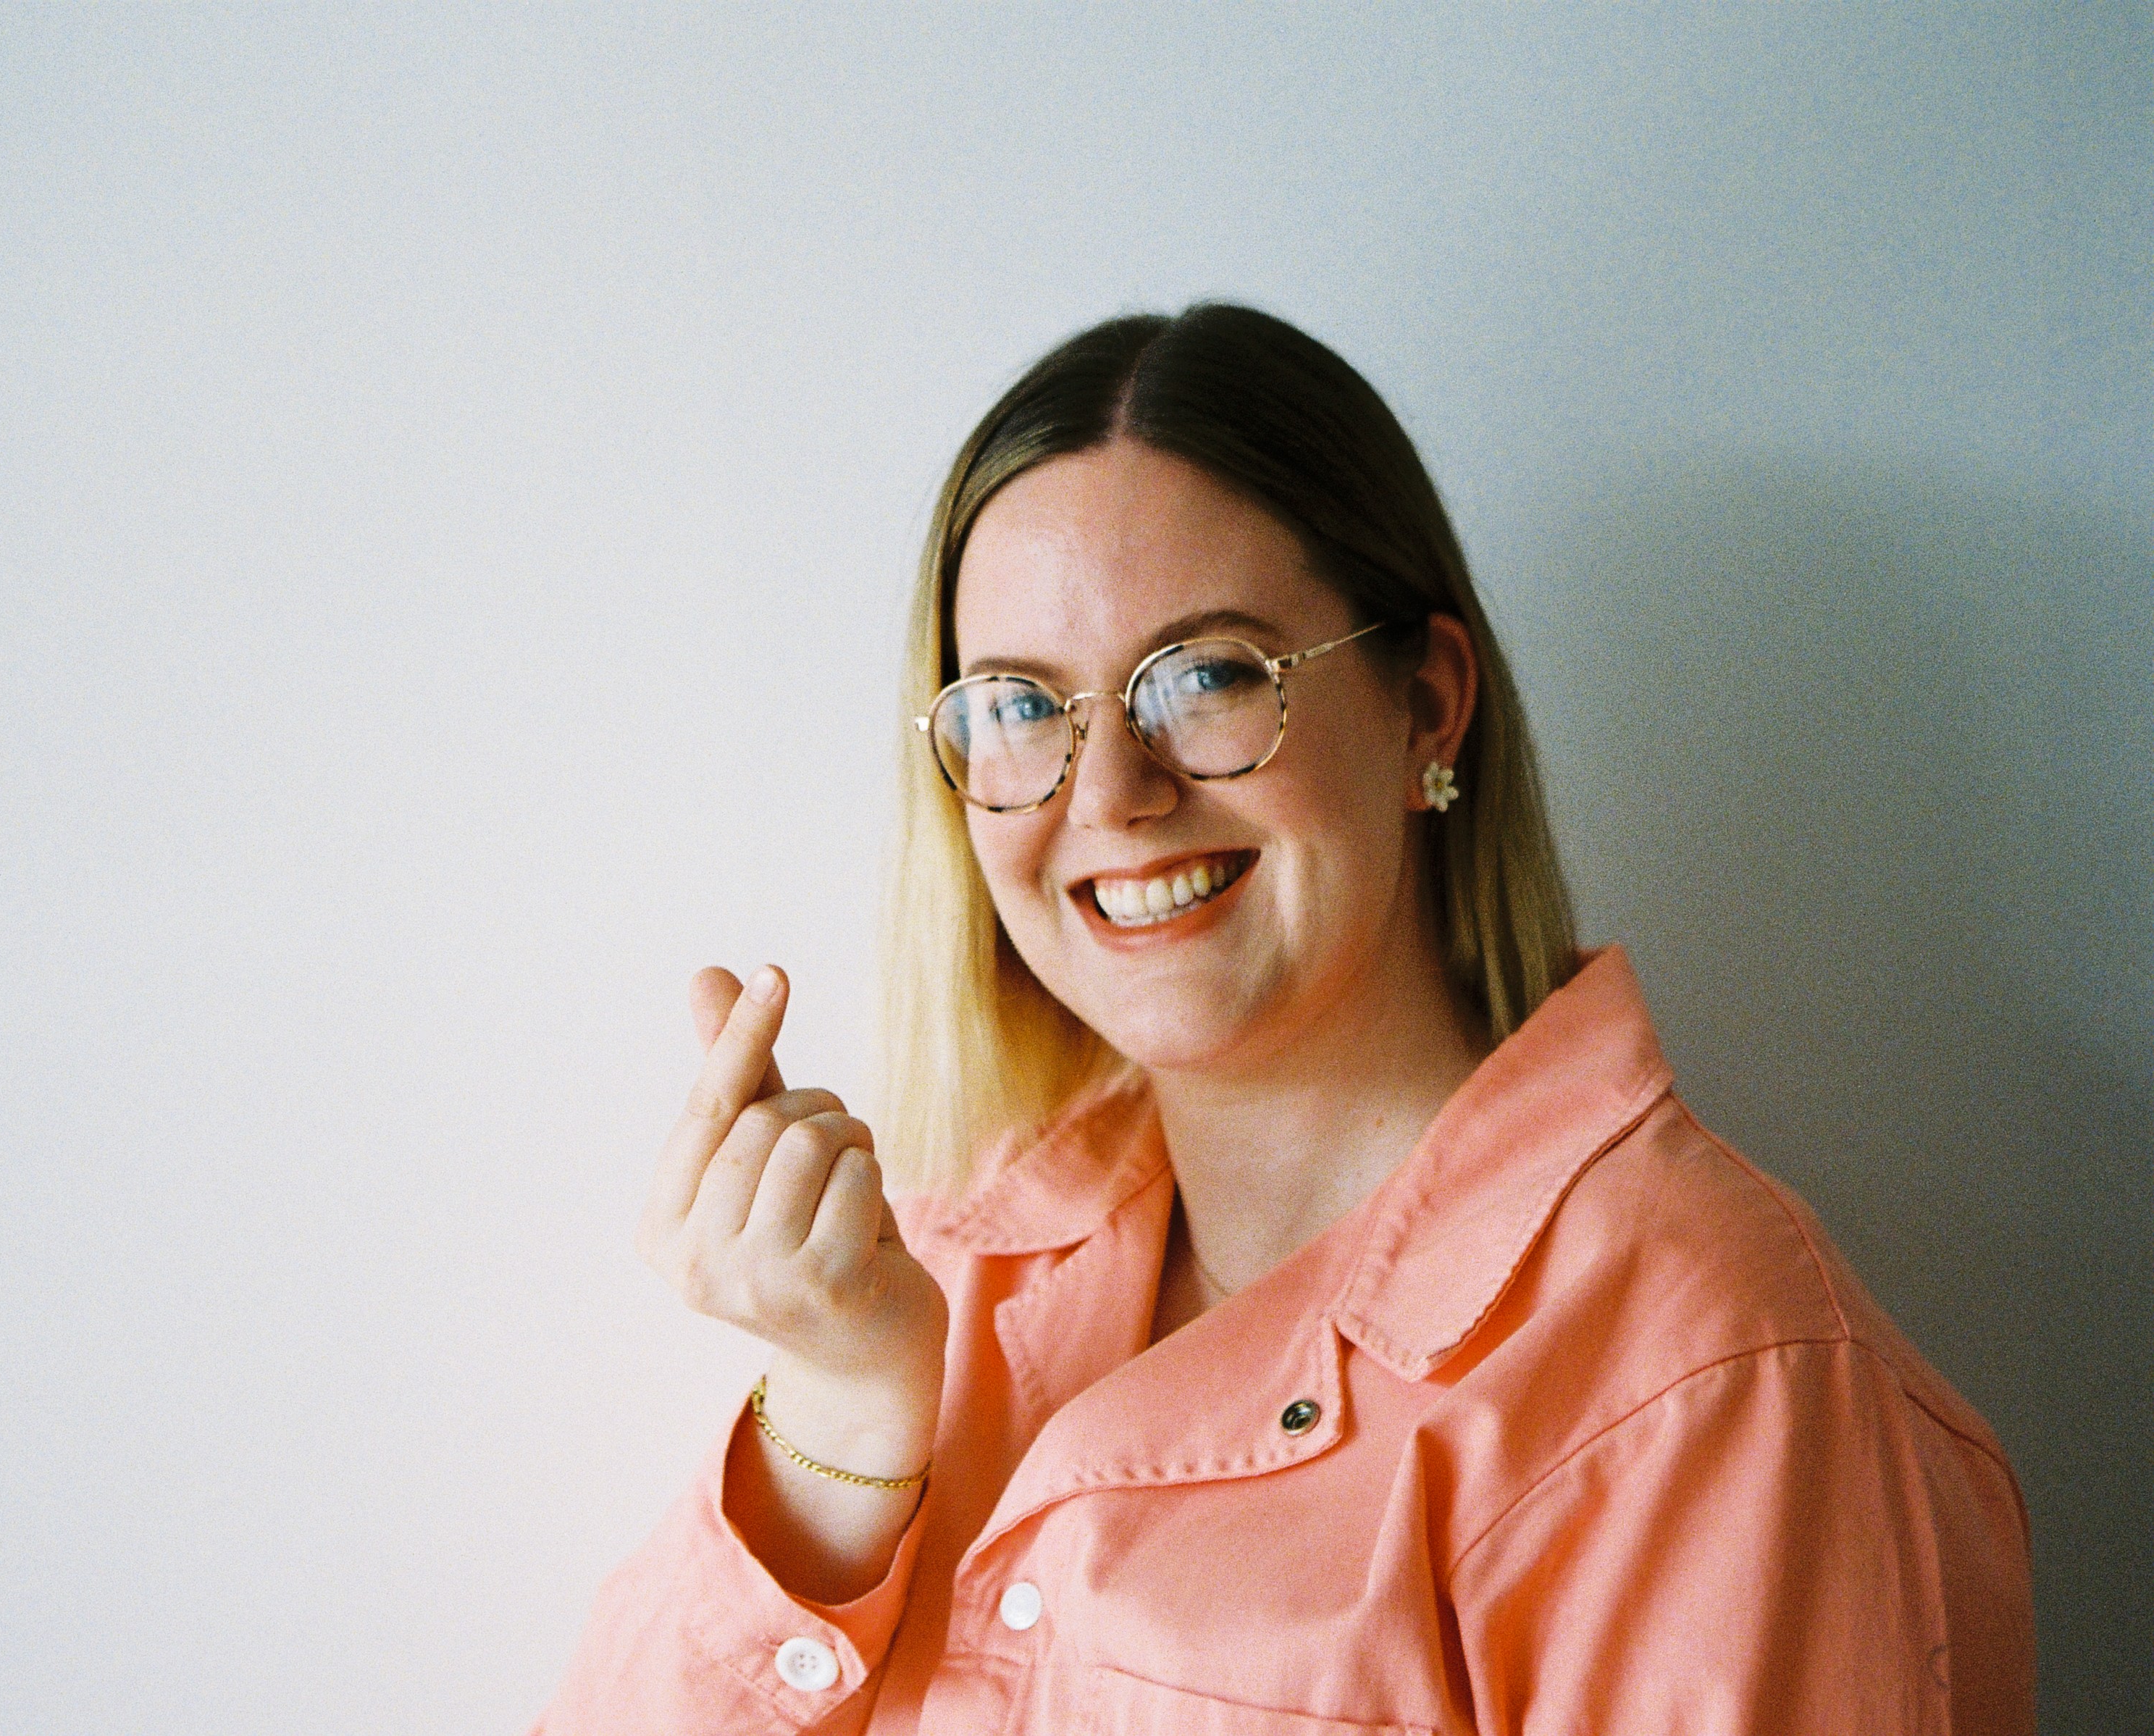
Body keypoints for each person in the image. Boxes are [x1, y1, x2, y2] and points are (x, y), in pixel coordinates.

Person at [532, 304, 2034, 1734]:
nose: (1110, 794)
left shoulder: (1710, 1369)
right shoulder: (935, 1274)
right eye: (1021, 706)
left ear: (1427, 706)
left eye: (1205, 677)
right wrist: (840, 1416)